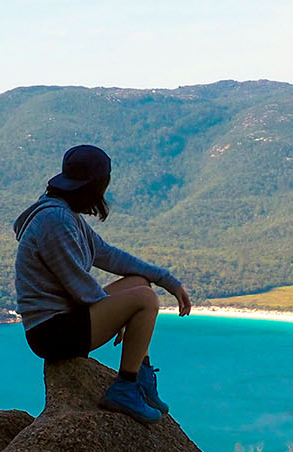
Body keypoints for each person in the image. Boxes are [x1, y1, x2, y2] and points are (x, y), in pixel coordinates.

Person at [12, 144, 192, 423]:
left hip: (67, 319)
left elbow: (108, 255)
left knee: (140, 283)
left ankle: (142, 378)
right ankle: (126, 388)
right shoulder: (55, 220)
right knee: (145, 299)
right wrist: (118, 314)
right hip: (51, 332)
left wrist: (166, 279)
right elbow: (79, 286)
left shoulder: (65, 214)